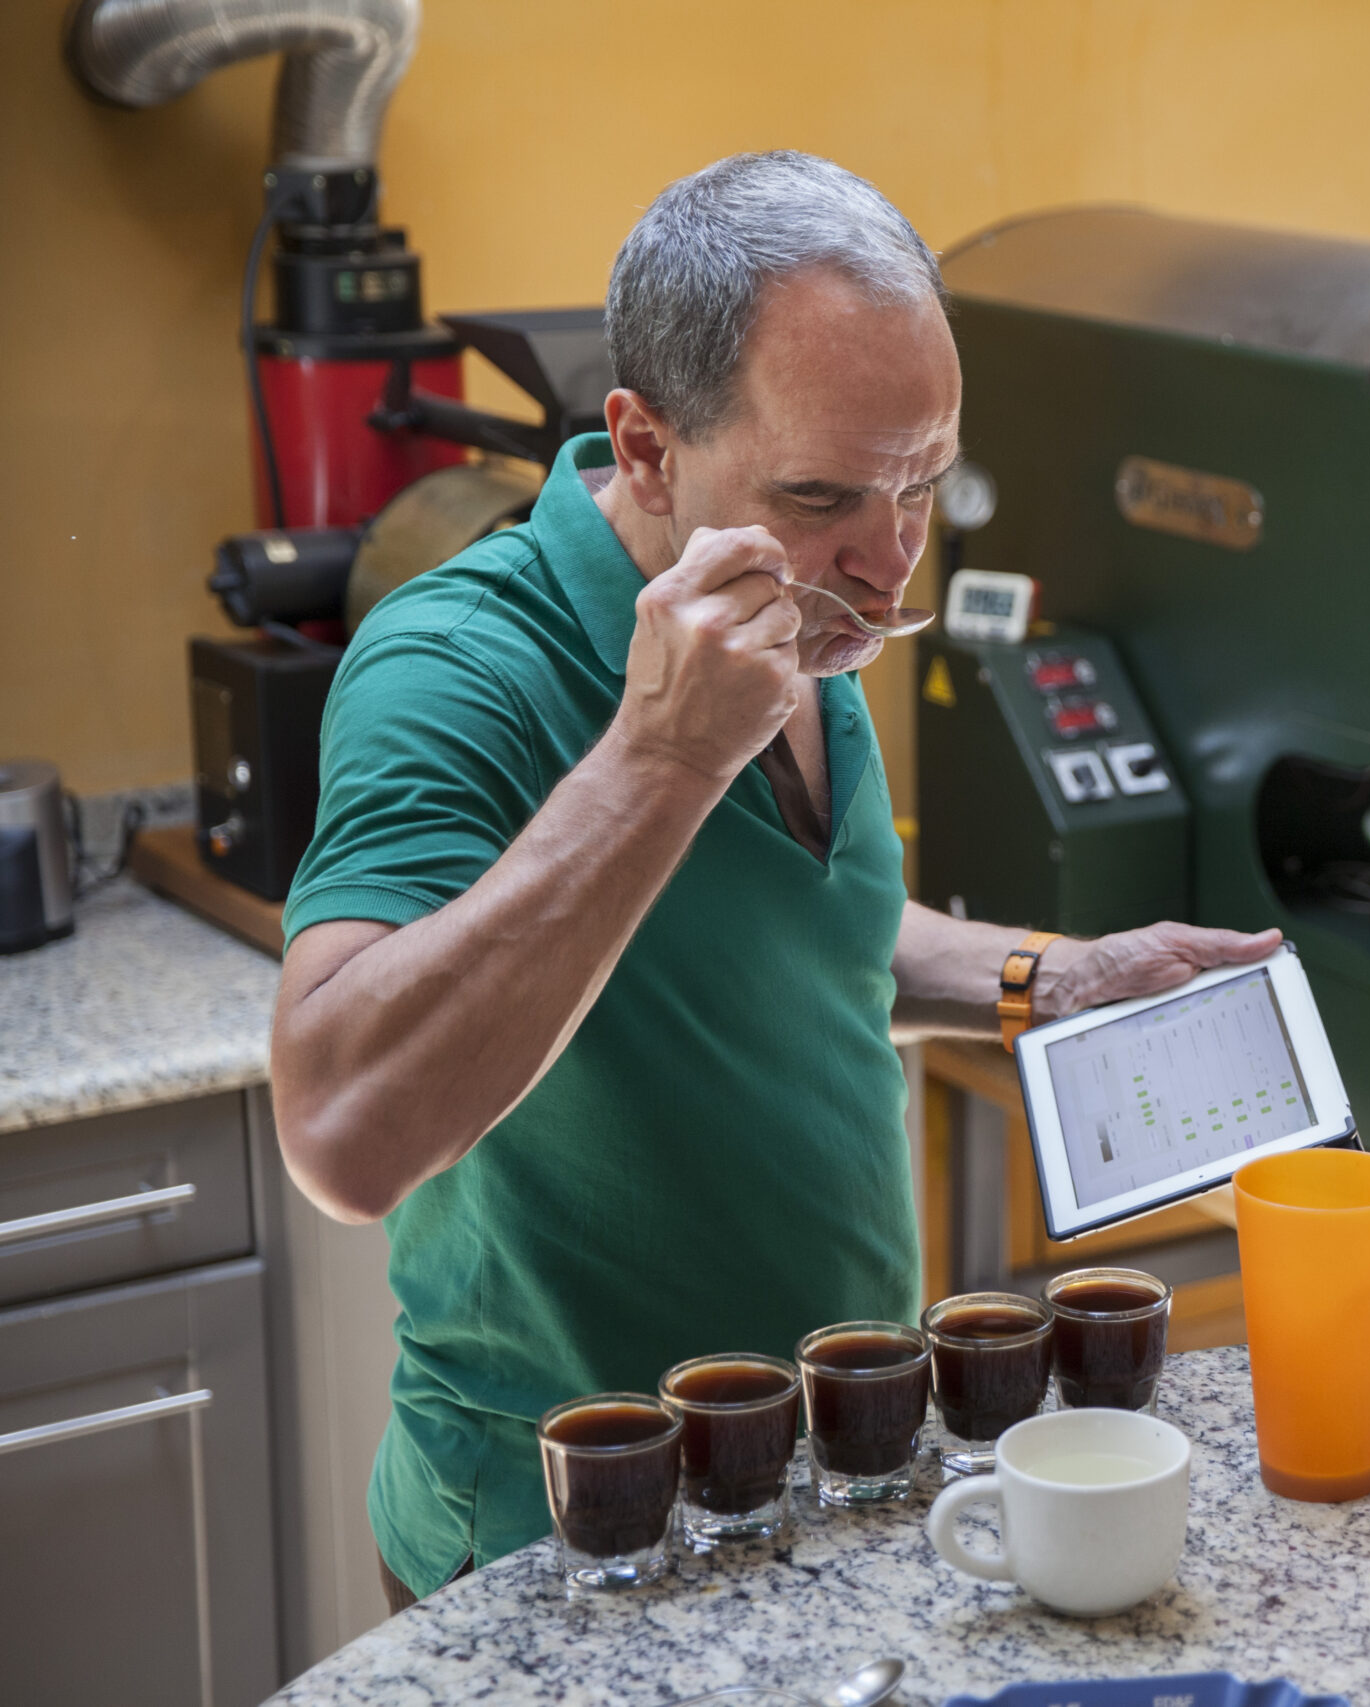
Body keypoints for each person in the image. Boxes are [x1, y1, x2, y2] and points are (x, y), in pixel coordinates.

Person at [267, 151, 1278, 1609]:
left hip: (833, 1486)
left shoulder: (787, 588)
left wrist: (1041, 975)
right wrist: (662, 757)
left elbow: (785, 924)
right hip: (569, 1537)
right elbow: (340, 1133)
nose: (888, 563)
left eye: (922, 482)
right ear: (650, 451)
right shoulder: (459, 666)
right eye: (823, 496)